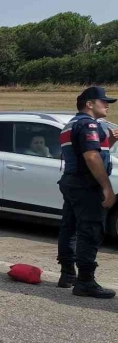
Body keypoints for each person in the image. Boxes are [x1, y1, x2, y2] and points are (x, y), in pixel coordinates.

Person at [56, 85, 118, 298]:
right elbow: (91, 156)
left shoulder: (71, 124)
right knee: (90, 230)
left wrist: (110, 141)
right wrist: (107, 187)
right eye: (104, 101)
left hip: (71, 182)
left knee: (70, 227)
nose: (107, 105)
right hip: (85, 185)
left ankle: (67, 274)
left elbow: (83, 150)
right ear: (89, 104)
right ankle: (85, 281)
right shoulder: (89, 124)